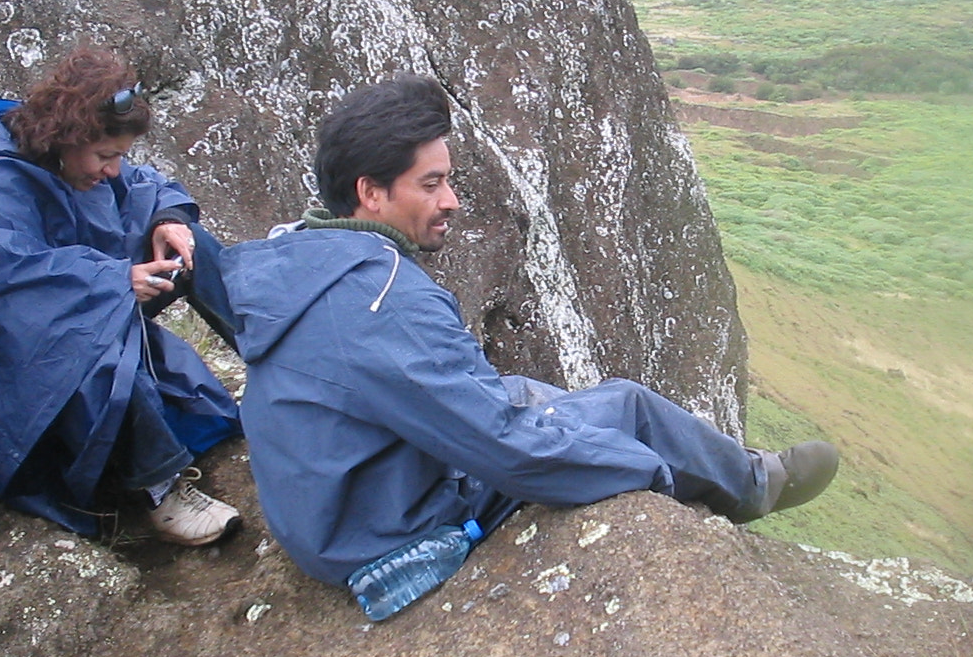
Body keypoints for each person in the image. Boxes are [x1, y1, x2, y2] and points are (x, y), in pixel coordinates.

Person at [214, 73, 839, 620]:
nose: (451, 201)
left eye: (448, 181)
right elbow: (510, 452)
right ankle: (754, 484)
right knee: (626, 407)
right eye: (431, 184)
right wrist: (646, 471)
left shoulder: (288, 260)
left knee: (516, 391)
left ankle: (724, 465)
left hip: (323, 514)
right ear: (371, 192)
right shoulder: (388, 304)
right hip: (385, 530)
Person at [0, 47, 243, 545]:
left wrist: (168, 219)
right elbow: (13, 297)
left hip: (81, 307)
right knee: (87, 331)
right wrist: (113, 282)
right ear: (67, 137)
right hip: (7, 379)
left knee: (187, 244)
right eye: (106, 156)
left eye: (119, 156)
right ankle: (162, 488)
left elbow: (145, 186)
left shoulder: (75, 163)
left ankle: (281, 363)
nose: (112, 170)